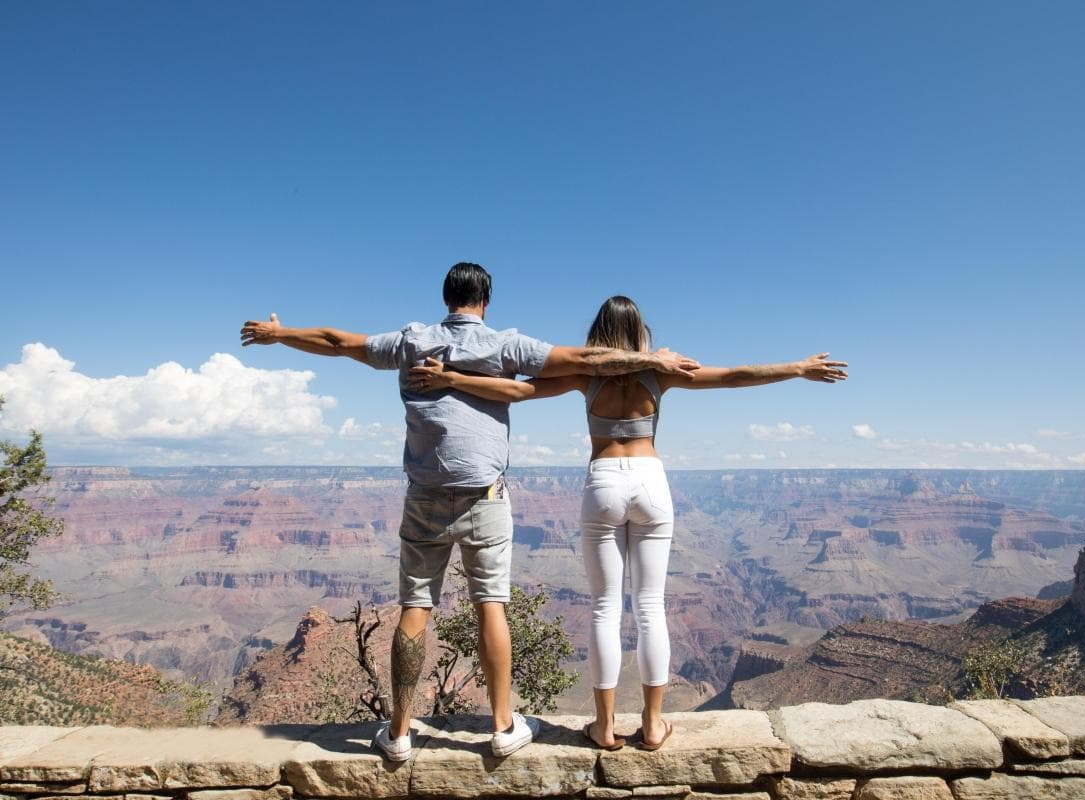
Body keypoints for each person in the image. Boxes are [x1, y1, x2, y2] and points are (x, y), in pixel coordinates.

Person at [240, 266, 700, 760]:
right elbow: (587, 358)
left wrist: (280, 334)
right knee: (491, 605)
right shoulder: (505, 346)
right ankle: (504, 727)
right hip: (486, 496)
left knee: (415, 607)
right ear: (486, 301)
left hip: (424, 497)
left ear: (446, 298)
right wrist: (653, 359)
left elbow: (336, 341)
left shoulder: (412, 341)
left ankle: (397, 734)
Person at [408, 295, 848, 751]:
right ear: (640, 333)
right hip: (650, 482)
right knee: (650, 607)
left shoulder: (584, 373)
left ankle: (603, 726)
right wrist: (797, 367)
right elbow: (734, 377)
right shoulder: (660, 372)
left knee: (604, 607)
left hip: (603, 482)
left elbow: (517, 391)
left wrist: (451, 377)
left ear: (597, 334)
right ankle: (654, 724)